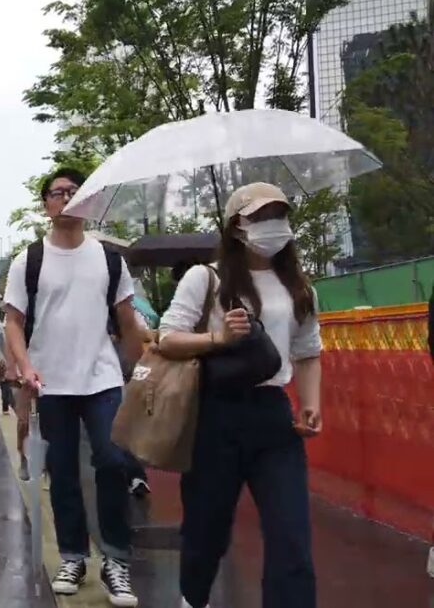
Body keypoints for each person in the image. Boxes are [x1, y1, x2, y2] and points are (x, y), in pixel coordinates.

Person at [158, 183, 322, 608]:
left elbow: (308, 353)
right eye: (260, 217)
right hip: (215, 415)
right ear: (236, 227)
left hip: (274, 418)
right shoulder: (205, 278)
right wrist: (219, 338)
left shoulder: (300, 288)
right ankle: (193, 598)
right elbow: (167, 339)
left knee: (291, 537)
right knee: (205, 531)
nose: (273, 225)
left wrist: (310, 404)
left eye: (279, 215)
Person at [3, 168, 145, 607]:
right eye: (57, 192)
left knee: (113, 462)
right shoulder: (29, 261)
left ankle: (116, 560)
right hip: (50, 383)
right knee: (61, 471)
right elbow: (13, 322)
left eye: (74, 192)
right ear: (45, 204)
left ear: (89, 201)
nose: (66, 198)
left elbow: (127, 321)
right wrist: (25, 368)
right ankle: (73, 556)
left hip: (103, 378)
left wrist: (142, 368)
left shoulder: (110, 260)